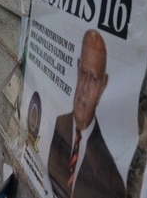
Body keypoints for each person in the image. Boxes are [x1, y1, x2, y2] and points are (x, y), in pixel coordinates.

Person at [47, 29, 125, 198]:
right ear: (77, 68)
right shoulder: (60, 124)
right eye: (83, 73)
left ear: (103, 86)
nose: (84, 88)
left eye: (94, 79)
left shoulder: (110, 175)